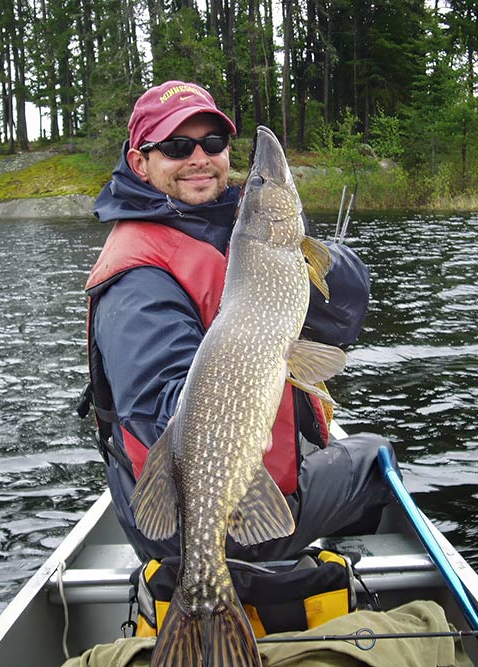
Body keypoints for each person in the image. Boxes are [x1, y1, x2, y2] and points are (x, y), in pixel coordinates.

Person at [82, 80, 393, 563]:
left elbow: (344, 318)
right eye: (177, 146)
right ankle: (324, 563)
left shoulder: (240, 229)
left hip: (222, 491)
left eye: (213, 143)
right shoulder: (136, 276)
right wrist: (247, 399)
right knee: (375, 459)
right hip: (197, 517)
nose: (199, 157)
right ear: (141, 162)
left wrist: (299, 251)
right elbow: (158, 416)